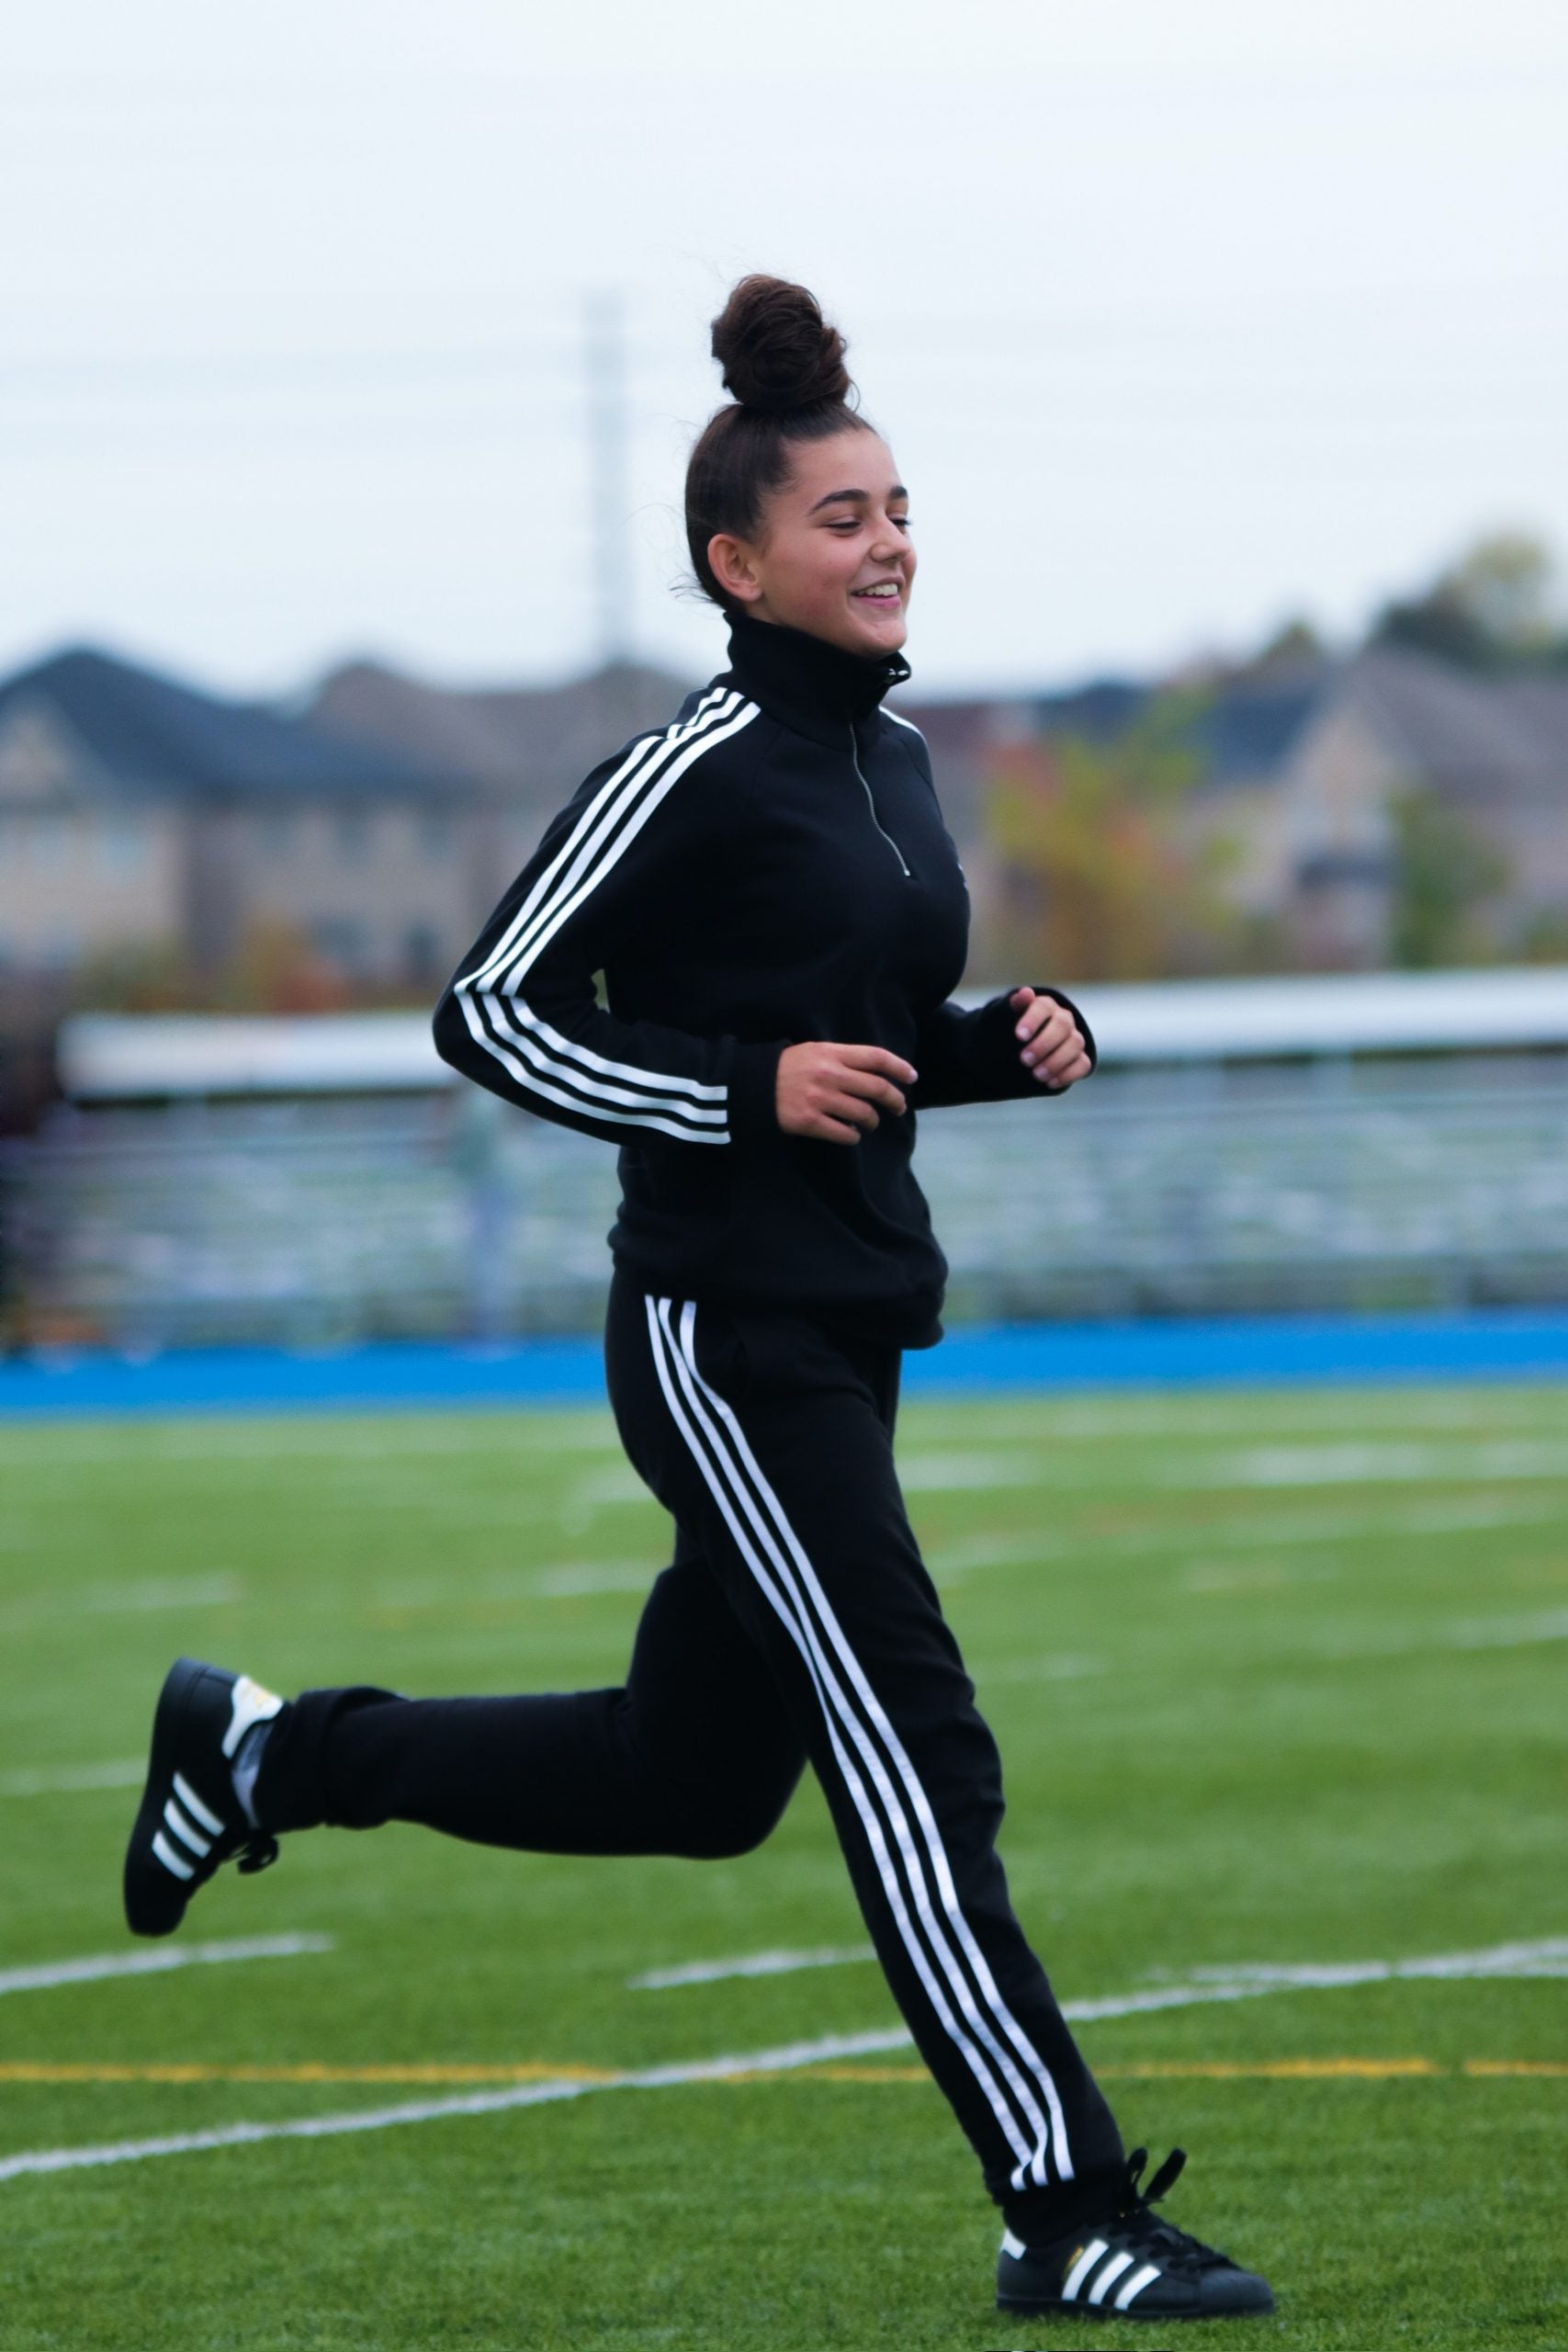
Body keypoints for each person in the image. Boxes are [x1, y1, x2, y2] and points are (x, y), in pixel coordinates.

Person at [123, 275, 1272, 2324]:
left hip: (844, 1309)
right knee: (915, 1748)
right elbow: (491, 1007)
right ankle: (1060, 2203)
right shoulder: (693, 760)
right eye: (841, 516)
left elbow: (838, 1030)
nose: (888, 538)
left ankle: (271, 1754)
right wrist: (738, 1094)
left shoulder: (896, 758)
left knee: (690, 1778)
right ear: (736, 561)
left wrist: (989, 1044)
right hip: (719, 1335)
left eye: (899, 504)